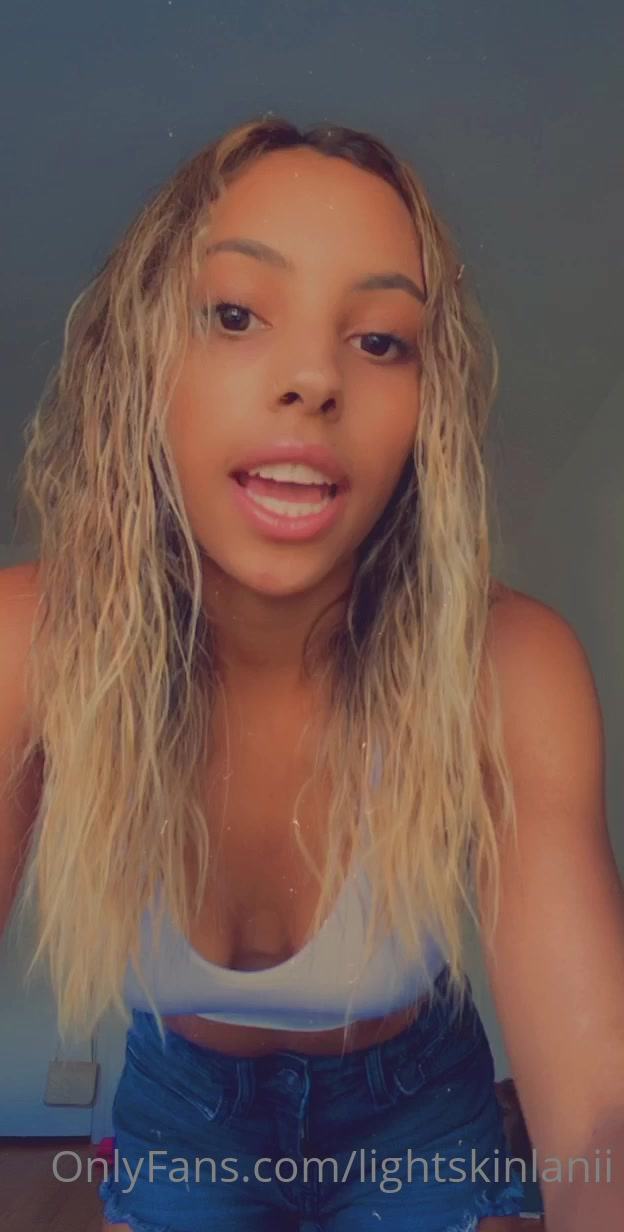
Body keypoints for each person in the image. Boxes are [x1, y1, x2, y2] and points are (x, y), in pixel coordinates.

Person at [2, 114, 624, 1232]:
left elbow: (597, 1124)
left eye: (380, 340)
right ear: (142, 359)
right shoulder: (28, 643)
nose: (313, 378)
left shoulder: (511, 668)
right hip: (182, 1111)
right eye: (236, 314)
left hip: (419, 1110)